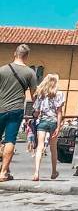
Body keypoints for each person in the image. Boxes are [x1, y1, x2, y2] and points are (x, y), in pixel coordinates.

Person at [0, 45, 38, 182]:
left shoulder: (2, 70)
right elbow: (33, 95)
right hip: (16, 109)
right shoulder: (30, 73)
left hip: (0, 107)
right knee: (10, 139)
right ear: (27, 56)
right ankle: (3, 173)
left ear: (14, 53)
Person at [30, 73, 65, 181]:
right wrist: (58, 127)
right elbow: (59, 112)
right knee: (53, 148)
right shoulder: (59, 94)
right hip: (53, 122)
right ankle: (54, 172)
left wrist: (34, 116)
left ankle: (36, 172)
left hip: (43, 121)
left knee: (40, 147)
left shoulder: (41, 94)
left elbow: (36, 112)